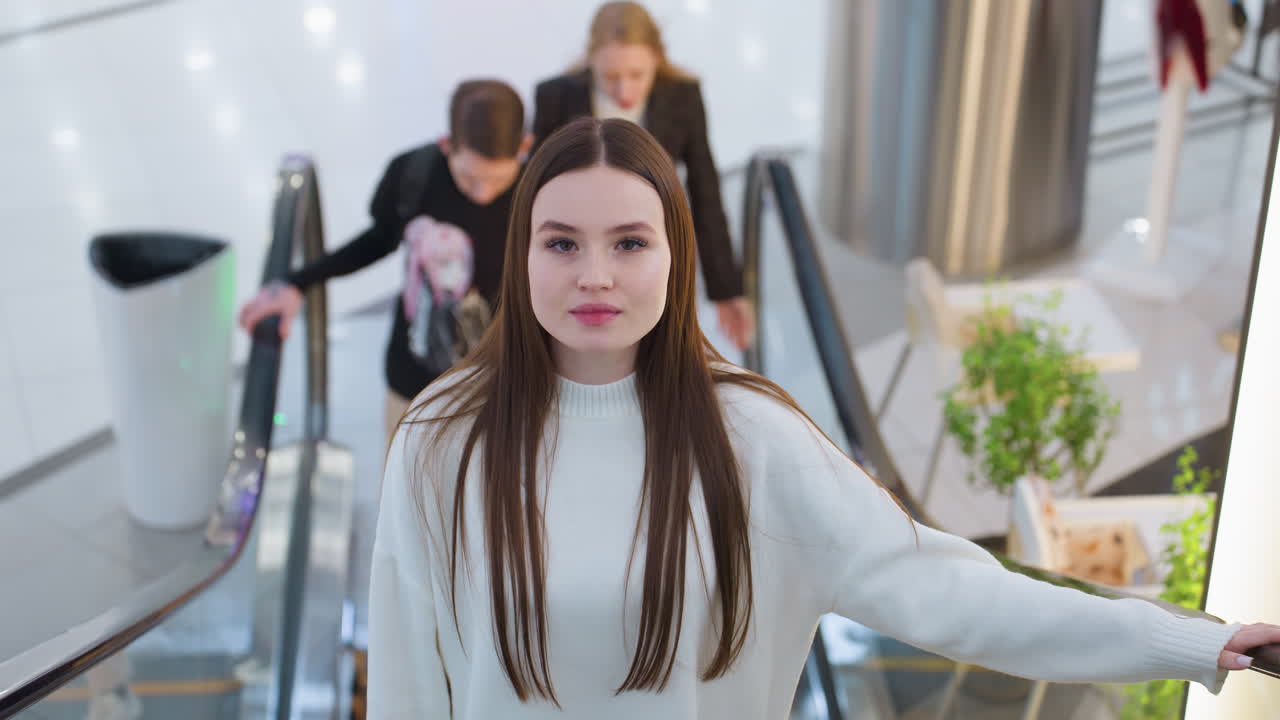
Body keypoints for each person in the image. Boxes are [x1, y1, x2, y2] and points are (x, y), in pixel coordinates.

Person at [366, 117, 1280, 719]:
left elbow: (954, 593)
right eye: (561, 242)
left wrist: (1188, 640)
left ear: (676, 259)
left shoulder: (750, 440)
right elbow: (409, 677)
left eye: (630, 243)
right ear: (521, 254)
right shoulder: (445, 437)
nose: (594, 274)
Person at [237, 79, 531, 442]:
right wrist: (299, 282)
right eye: (468, 178)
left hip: (508, 381)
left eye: (497, 180)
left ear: (525, 147)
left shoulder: (542, 189)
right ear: (446, 145)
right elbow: (377, 241)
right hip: (414, 378)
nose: (482, 194)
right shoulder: (414, 175)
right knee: (405, 482)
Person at [531, 1, 754, 352]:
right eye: (610, 77)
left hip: (649, 248)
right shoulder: (555, 96)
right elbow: (533, 197)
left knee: (661, 351)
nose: (624, 92)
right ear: (591, 62)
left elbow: (705, 192)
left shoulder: (682, 95)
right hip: (579, 255)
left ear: (657, 60)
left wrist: (727, 289)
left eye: (637, 76)